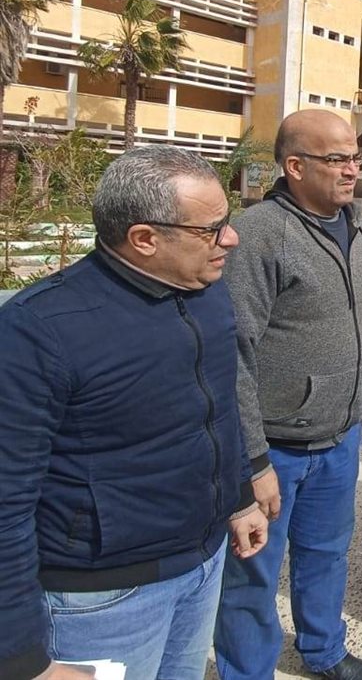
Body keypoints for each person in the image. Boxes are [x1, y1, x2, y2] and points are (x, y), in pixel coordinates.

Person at [0, 146, 267, 680]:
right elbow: (6, 501)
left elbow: (219, 411)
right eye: (211, 229)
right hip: (103, 600)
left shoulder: (208, 292)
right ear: (144, 238)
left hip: (203, 566)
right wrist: (22, 659)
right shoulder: (38, 331)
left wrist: (239, 498)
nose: (231, 239)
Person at [214, 110, 362, 680]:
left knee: (327, 554)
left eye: (355, 157)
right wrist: (253, 459)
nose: (351, 169)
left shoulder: (359, 224)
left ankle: (324, 651)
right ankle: (247, 672)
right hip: (275, 452)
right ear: (295, 166)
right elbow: (233, 354)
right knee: (253, 576)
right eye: (336, 159)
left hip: (339, 439)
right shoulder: (260, 234)